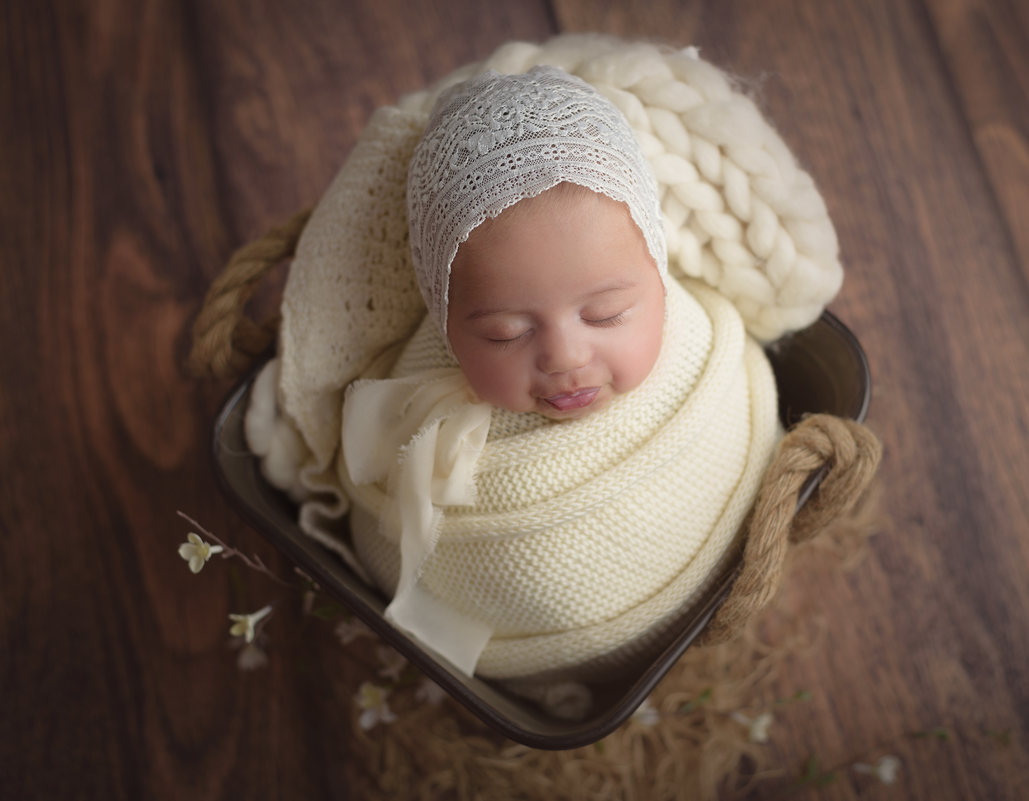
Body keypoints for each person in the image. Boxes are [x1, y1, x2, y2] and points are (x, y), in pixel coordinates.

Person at [329, 67, 781, 712]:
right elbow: (392, 534)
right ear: (444, 316)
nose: (566, 358)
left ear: (656, 266)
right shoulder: (416, 395)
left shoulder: (692, 338)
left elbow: (743, 422)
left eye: (605, 315)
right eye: (506, 334)